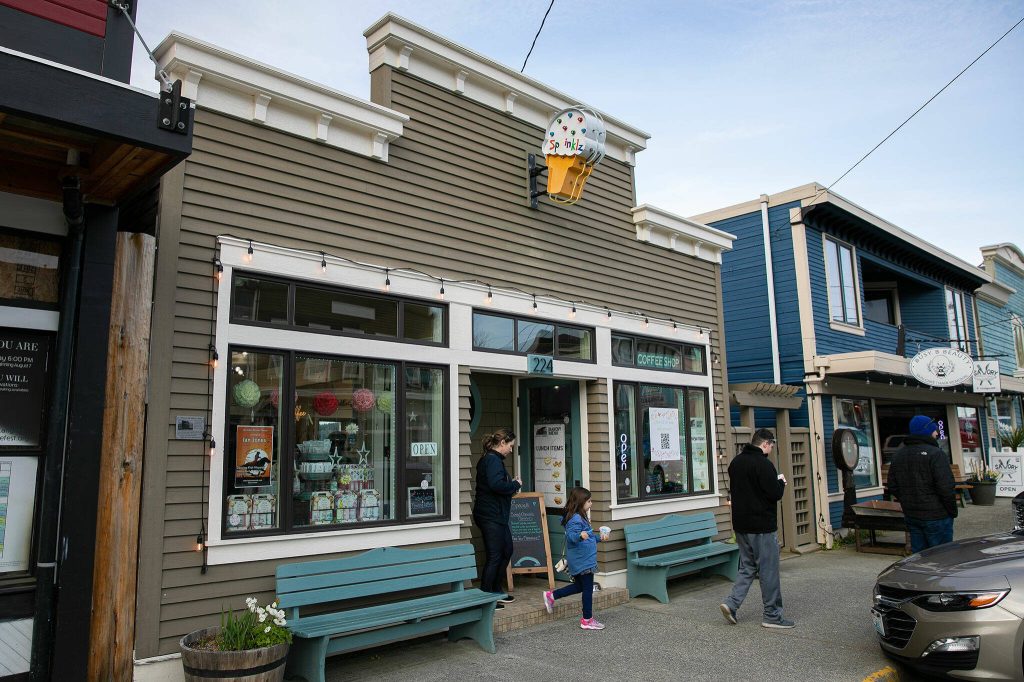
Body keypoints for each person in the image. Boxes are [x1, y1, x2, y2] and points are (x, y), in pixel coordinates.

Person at [719, 428, 792, 629]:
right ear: (766, 444)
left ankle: (731, 604)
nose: (771, 450)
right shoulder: (764, 465)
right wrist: (781, 482)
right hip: (762, 526)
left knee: (747, 567)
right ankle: (772, 616)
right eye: (771, 446)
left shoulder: (736, 463)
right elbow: (774, 494)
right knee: (768, 571)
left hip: (741, 526)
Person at [887, 415, 957, 553]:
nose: (937, 433)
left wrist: (907, 500)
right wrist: (952, 511)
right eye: (934, 429)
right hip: (937, 516)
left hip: (912, 515)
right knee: (943, 557)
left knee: (919, 558)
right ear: (927, 430)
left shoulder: (899, 455)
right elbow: (946, 487)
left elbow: (893, 485)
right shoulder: (936, 454)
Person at [542, 487, 609, 629]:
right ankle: (587, 620)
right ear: (580, 502)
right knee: (587, 589)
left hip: (583, 558)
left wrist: (599, 538)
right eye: (589, 501)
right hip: (583, 560)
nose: (591, 504)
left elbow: (588, 537)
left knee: (580, 586)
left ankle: (551, 596)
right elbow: (572, 537)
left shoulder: (580, 516)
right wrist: (580, 535)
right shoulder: (576, 518)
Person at [473, 428, 522, 609]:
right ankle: (486, 596)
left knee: (506, 550)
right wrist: (515, 484)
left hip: (497, 515)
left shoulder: (493, 460)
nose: (511, 449)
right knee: (495, 555)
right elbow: (495, 485)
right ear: (502, 443)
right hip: (489, 515)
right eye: (510, 445)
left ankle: (495, 590)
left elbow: (499, 486)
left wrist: (511, 487)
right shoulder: (492, 460)